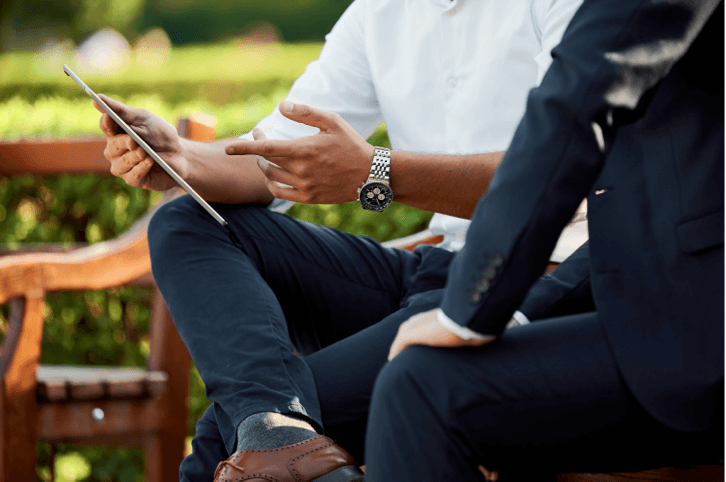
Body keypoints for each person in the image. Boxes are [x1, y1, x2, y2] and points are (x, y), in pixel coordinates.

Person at [95, 0, 587, 480]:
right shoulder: (379, 12)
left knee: (224, 440)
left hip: (536, 281)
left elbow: (559, 173)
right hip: (434, 268)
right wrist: (179, 157)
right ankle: (277, 430)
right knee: (186, 222)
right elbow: (274, 156)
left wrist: (378, 172)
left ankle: (274, 432)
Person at [359, 0, 725, 480]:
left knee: (422, 388)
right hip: (645, 303)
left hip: (697, 331)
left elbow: (575, 104)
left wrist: (469, 310)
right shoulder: (376, 14)